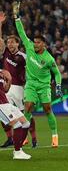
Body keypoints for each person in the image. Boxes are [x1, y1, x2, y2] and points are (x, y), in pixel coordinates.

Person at [13, 2, 63, 147]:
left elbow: (57, 73)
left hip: (44, 86)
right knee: (27, 107)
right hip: (31, 84)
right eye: (34, 42)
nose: (34, 44)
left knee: (47, 109)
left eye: (38, 43)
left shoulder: (48, 59)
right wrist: (16, 17)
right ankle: (23, 136)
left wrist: (58, 86)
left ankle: (54, 135)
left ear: (44, 45)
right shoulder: (29, 47)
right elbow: (21, 32)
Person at [0, 11, 37, 148]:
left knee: (26, 115)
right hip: (7, 88)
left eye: (12, 42)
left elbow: (30, 72)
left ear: (18, 44)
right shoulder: (5, 54)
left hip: (20, 88)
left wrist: (30, 85)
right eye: (8, 42)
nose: (10, 45)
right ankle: (10, 138)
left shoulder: (23, 57)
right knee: (4, 115)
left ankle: (33, 138)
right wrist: (1, 25)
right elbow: (0, 42)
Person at [0, 68, 31, 159]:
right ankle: (17, 153)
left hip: (6, 103)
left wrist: (9, 81)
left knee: (26, 123)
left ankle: (19, 149)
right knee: (17, 125)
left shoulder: (2, 73)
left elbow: (5, 90)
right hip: (0, 106)